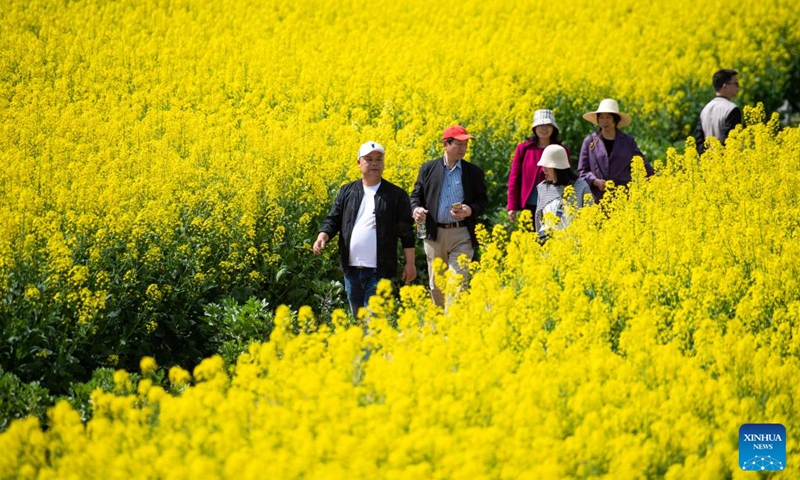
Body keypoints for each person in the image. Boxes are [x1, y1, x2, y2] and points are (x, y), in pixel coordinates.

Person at [313, 141, 417, 315]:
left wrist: (410, 263)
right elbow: (334, 219)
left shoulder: (396, 195)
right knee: (358, 320)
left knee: (372, 322)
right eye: (368, 159)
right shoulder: (347, 191)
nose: (374, 163)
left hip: (380, 271)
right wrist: (323, 236)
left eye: (379, 159)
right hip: (351, 269)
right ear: (358, 162)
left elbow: (406, 233)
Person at [411, 125, 488, 307]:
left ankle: (452, 326)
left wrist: (469, 210)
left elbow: (482, 201)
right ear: (446, 144)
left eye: (465, 144)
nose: (463, 149)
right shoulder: (428, 169)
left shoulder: (473, 172)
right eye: (459, 144)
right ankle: (441, 325)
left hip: (461, 234)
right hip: (434, 234)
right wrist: (416, 209)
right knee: (436, 286)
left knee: (457, 285)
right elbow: (416, 196)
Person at [577, 99, 654, 202]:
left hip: (623, 197)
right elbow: (582, 171)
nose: (605, 121)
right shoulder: (590, 141)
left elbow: (643, 165)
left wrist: (657, 181)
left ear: (615, 120)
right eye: (601, 117)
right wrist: (595, 181)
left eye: (608, 117)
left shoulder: (628, 142)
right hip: (597, 199)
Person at [507, 109, 571, 222]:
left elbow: (567, 177)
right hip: (529, 204)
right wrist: (512, 206)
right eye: (540, 125)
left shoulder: (562, 150)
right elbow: (514, 178)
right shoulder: (524, 149)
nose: (544, 128)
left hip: (554, 203)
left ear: (553, 128)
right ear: (534, 128)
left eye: (547, 125)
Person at [534, 144, 592, 239]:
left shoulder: (580, 187)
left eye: (547, 166)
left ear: (558, 167)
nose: (543, 170)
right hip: (550, 248)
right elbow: (539, 222)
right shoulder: (543, 188)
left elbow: (591, 219)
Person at [695, 69, 742, 154]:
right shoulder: (732, 109)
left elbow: (699, 140)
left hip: (708, 164)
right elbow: (729, 140)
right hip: (726, 162)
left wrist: (707, 159)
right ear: (725, 86)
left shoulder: (705, 109)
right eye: (736, 83)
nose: (738, 86)